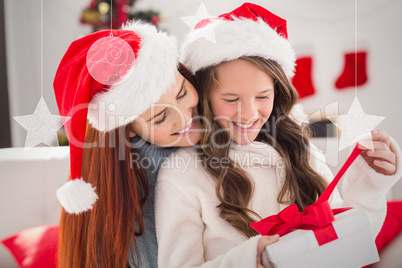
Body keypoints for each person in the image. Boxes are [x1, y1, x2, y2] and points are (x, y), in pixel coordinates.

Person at [154, 3, 402, 267]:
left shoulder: (298, 146)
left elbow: (349, 246)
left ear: (278, 92)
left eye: (263, 96)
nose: (249, 113)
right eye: (231, 98)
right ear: (204, 97)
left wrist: (369, 185)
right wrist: (250, 260)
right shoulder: (182, 175)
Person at [53, 21, 202, 267]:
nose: (184, 117)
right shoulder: (150, 178)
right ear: (128, 133)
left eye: (183, 93)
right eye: (160, 117)